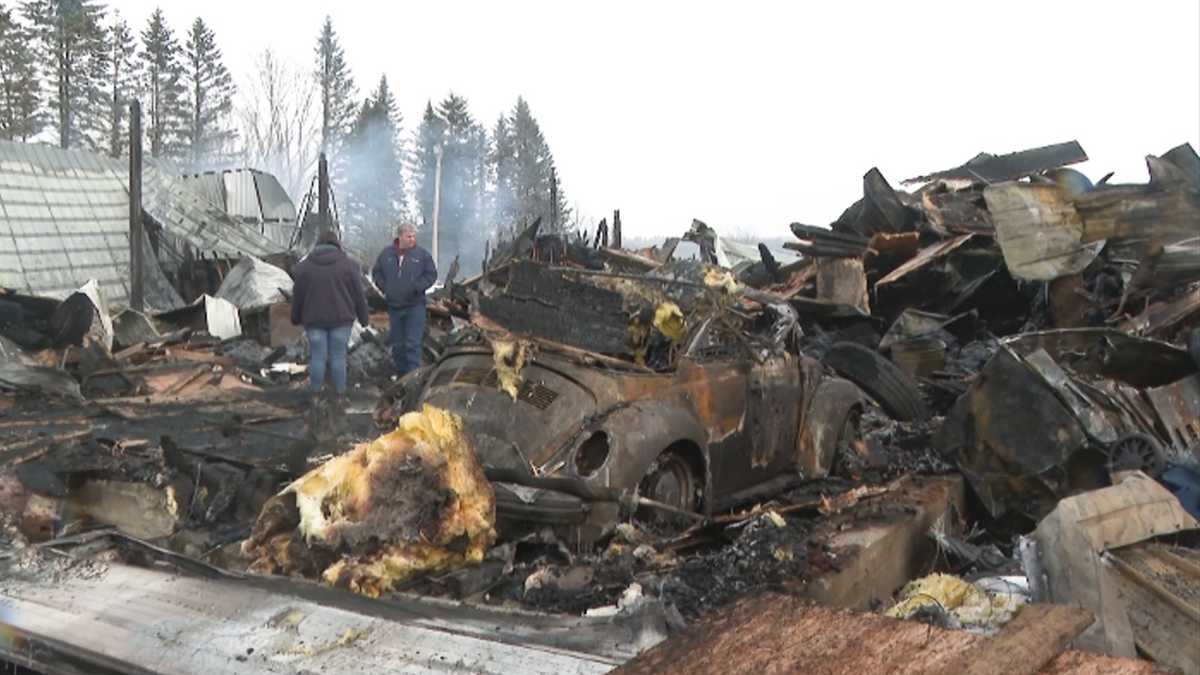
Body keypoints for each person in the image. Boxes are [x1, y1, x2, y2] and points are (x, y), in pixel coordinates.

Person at [291, 228, 370, 408]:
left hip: (314, 320)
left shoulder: (304, 267)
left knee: (317, 357)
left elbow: (298, 296)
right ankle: (340, 396)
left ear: (318, 244)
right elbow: (359, 295)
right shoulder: (350, 266)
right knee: (338, 357)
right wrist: (364, 318)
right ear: (337, 244)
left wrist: (295, 317)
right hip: (341, 320)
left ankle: (315, 396)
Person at [372, 224, 437, 376]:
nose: (412, 239)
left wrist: (417, 287)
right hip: (394, 306)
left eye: (414, 236)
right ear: (400, 237)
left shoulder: (422, 255)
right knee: (398, 345)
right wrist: (385, 287)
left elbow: (431, 275)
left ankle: (414, 378)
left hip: (415, 306)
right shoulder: (386, 254)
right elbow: (376, 272)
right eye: (409, 236)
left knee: (413, 344)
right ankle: (401, 377)